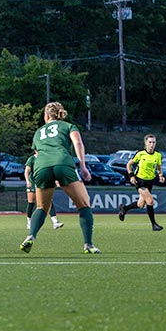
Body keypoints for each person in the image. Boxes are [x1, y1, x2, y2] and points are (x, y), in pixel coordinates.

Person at [19, 102, 100, 254]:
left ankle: (30, 236)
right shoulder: (68, 126)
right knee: (84, 204)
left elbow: (37, 152)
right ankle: (88, 245)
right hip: (62, 162)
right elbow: (78, 142)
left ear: (46, 116)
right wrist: (82, 165)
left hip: (41, 166)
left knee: (42, 207)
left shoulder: (38, 132)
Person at [118, 134, 166, 231]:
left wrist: (161, 175)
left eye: (154, 142)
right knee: (150, 201)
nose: (152, 144)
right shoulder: (140, 154)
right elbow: (129, 165)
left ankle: (124, 208)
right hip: (139, 180)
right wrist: (131, 176)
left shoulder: (158, 155)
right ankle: (154, 225)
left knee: (141, 204)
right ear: (145, 143)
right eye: (150, 142)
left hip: (150, 181)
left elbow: (159, 168)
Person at [23, 153, 63, 231]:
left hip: (43, 183)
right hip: (33, 183)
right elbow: (27, 171)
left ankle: (55, 222)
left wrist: (56, 180)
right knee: (31, 203)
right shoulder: (32, 159)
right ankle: (29, 222)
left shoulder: (46, 158)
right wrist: (27, 181)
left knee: (49, 202)